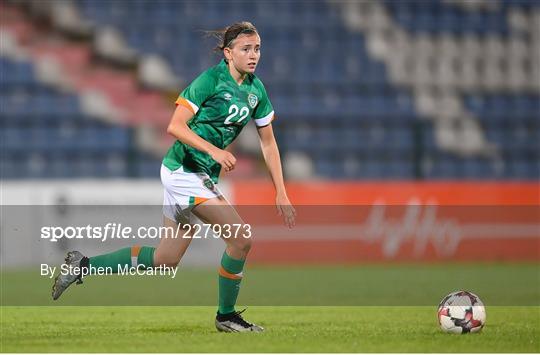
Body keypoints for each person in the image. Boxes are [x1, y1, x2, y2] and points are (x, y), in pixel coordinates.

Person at [51, 21, 296, 332]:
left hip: (193, 172)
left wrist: (281, 191)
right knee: (241, 237)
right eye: (246, 49)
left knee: (166, 258)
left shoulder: (256, 90)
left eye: (257, 48)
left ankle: (82, 265)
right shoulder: (210, 81)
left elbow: (268, 142)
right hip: (184, 170)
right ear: (228, 52)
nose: (253, 55)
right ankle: (226, 316)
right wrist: (215, 151)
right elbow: (175, 126)